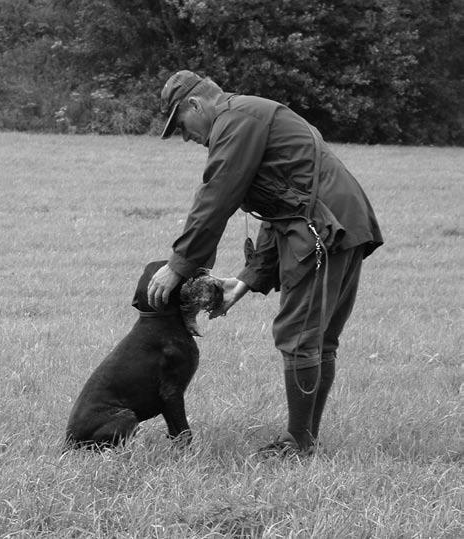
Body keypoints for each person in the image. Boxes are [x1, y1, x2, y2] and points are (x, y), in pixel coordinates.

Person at [147, 70, 383, 457]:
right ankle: (304, 438)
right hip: (335, 222)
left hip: (325, 227)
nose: (185, 136)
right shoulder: (248, 116)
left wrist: (179, 264)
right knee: (316, 338)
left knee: (300, 334)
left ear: (194, 104)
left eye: (180, 125)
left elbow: (216, 196)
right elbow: (281, 208)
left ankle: (299, 443)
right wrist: (245, 280)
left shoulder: (237, 121)